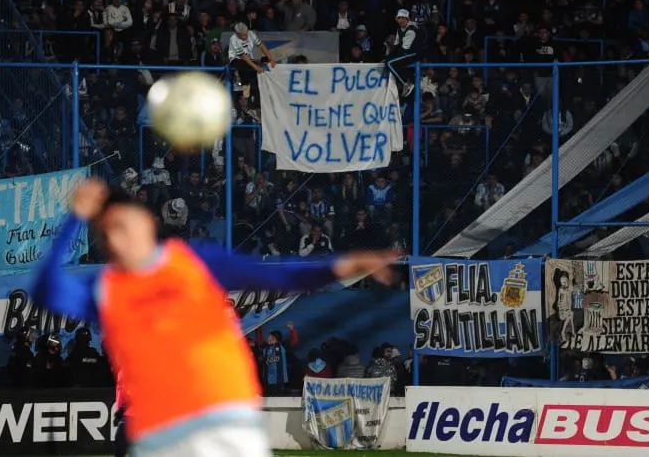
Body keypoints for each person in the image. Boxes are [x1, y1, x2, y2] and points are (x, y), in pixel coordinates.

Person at [32, 179, 399, 457]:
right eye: (109, 230)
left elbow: (280, 276)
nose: (119, 237)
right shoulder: (107, 288)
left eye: (125, 224)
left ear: (146, 224)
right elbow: (45, 288)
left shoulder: (194, 262)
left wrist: (343, 264)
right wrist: (75, 219)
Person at [227, 22, 276, 102]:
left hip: (249, 58)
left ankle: (254, 99)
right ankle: (245, 89)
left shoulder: (251, 34)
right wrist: (256, 67)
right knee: (247, 68)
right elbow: (243, 56)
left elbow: (261, 45)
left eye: (246, 34)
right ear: (237, 34)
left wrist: (271, 59)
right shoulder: (233, 39)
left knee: (256, 71)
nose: (245, 36)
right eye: (243, 35)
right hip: (236, 59)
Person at [386, 8, 422, 98]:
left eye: (403, 18)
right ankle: (407, 79)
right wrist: (389, 54)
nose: (400, 20)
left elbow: (405, 48)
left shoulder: (411, 30)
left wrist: (392, 57)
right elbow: (396, 45)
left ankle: (406, 83)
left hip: (413, 54)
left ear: (407, 19)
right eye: (399, 18)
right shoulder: (399, 29)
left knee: (390, 63)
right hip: (405, 53)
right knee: (388, 60)